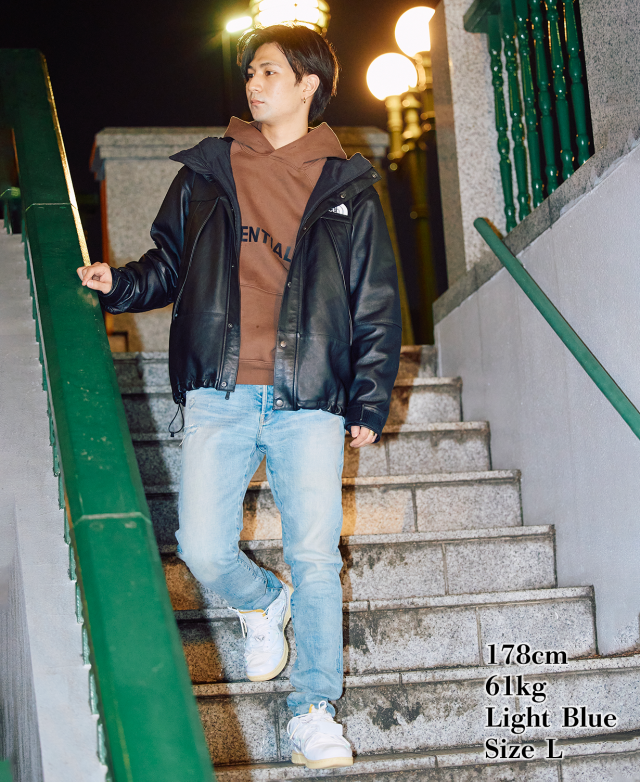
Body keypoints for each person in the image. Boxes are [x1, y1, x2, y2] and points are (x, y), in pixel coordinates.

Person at [78, 23, 401, 770]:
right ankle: (260, 601)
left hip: (309, 395)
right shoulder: (210, 168)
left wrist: (368, 397)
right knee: (200, 545)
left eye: (268, 72)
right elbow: (168, 263)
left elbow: (375, 301)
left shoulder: (348, 186)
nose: (253, 84)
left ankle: (313, 710)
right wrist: (119, 283)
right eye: (250, 72)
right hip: (219, 390)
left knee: (315, 556)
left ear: (309, 84)